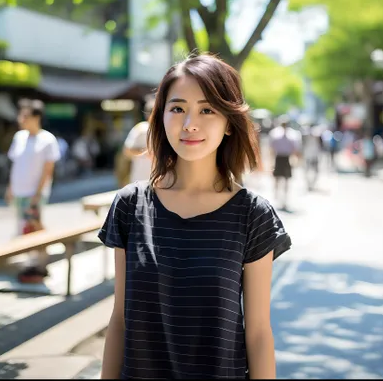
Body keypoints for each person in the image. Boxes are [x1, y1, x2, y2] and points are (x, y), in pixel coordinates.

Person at [98, 54, 292, 379]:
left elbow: (258, 333)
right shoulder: (129, 206)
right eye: (177, 109)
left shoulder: (253, 215)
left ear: (229, 121)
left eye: (206, 109)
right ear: (160, 117)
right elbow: (120, 319)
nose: (189, 123)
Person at [6, 99, 61, 283]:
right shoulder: (19, 137)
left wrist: (37, 193)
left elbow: (48, 169)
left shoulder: (47, 139)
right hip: (19, 190)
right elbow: (15, 165)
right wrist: (10, 187)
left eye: (26, 115)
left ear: (36, 117)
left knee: (35, 226)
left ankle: (41, 263)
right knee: (23, 227)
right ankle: (30, 264)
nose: (21, 119)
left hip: (34, 193)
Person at [268, 116, 301, 209]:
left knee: (285, 179)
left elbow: (295, 149)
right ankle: (278, 195)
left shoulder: (292, 134)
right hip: (279, 157)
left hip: (286, 158)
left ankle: (284, 198)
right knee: (278, 178)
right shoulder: (275, 133)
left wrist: (295, 159)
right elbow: (271, 149)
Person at [122, 98, 155, 183]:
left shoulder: (165, 131)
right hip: (140, 181)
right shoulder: (141, 129)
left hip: (157, 182)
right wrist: (146, 151)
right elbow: (127, 151)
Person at [302, 124, 323, 191]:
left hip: (314, 155)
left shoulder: (317, 135)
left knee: (315, 171)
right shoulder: (305, 135)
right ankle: (309, 184)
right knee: (307, 171)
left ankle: (311, 184)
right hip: (308, 155)